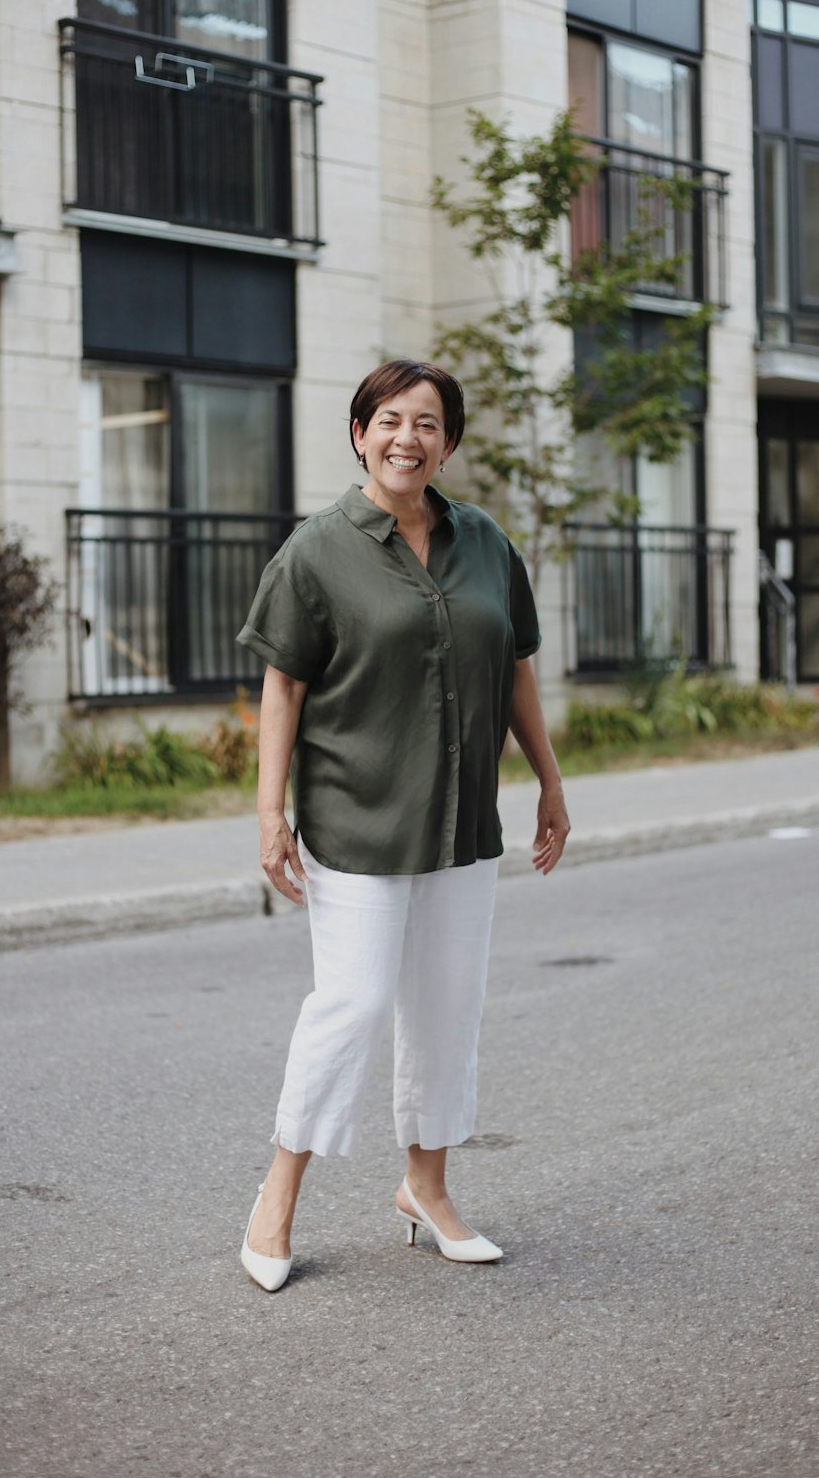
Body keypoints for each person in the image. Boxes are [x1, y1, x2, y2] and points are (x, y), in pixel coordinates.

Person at [235, 358, 570, 1292]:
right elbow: (283, 687)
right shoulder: (317, 551)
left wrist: (549, 781)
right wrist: (271, 815)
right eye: (388, 419)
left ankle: (426, 1189)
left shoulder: (487, 544)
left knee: (447, 1005)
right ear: (358, 433)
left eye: (426, 423)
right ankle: (277, 1197)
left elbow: (516, 672)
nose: (405, 438)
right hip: (358, 820)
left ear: (449, 443)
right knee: (350, 1007)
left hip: (463, 821)